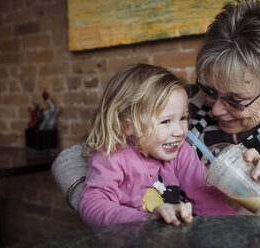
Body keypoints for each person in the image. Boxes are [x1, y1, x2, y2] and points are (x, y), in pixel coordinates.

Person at [52, 0, 260, 221]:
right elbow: (78, 156)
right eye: (210, 89)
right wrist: (123, 214)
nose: (214, 107)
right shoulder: (183, 107)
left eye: (236, 100)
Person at [78, 64, 235, 227]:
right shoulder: (111, 155)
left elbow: (206, 197)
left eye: (183, 118)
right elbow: (93, 206)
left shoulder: (182, 152)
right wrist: (147, 220)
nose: (180, 131)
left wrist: (230, 229)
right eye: (166, 121)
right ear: (126, 126)